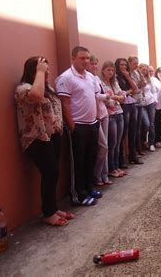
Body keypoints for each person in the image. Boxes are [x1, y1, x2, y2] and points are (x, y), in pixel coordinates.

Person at [16, 57, 74, 226]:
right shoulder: (23, 88)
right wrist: (40, 72)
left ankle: (53, 208)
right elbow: (35, 95)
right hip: (36, 138)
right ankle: (48, 213)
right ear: (32, 72)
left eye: (47, 69)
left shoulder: (47, 87)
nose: (47, 72)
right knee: (50, 171)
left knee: (53, 173)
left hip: (53, 136)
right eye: (43, 69)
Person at [56, 46, 101, 206]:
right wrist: (73, 126)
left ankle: (89, 188)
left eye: (87, 58)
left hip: (93, 124)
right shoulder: (66, 78)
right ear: (73, 58)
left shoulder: (90, 77)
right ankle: (78, 195)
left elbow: (94, 98)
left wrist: (96, 119)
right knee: (78, 162)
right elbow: (65, 104)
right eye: (82, 58)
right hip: (78, 126)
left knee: (91, 158)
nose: (86, 61)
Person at [100, 61, 126, 178]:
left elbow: (123, 98)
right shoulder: (101, 84)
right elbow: (106, 101)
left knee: (118, 142)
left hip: (119, 113)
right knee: (112, 142)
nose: (110, 72)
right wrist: (116, 98)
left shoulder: (114, 83)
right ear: (103, 71)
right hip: (110, 115)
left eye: (112, 70)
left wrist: (114, 97)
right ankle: (111, 168)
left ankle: (116, 166)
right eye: (108, 70)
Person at [87, 56, 111, 186]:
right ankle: (96, 176)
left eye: (96, 63)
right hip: (94, 116)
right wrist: (106, 96)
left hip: (103, 113)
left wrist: (107, 97)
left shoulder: (96, 78)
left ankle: (104, 174)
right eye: (92, 63)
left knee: (105, 146)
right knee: (102, 147)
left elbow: (101, 94)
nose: (94, 66)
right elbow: (96, 95)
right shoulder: (86, 78)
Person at [115, 58, 142, 165]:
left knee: (133, 130)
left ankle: (133, 155)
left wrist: (127, 76)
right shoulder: (115, 77)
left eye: (125, 65)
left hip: (131, 103)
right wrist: (128, 92)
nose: (124, 67)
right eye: (121, 65)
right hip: (123, 106)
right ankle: (121, 158)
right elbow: (119, 93)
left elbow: (135, 89)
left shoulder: (127, 76)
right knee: (123, 132)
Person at [139, 63, 158, 152]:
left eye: (146, 70)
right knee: (146, 124)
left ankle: (151, 143)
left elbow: (153, 91)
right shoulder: (137, 78)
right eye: (143, 69)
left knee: (151, 124)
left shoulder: (149, 79)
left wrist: (154, 100)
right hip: (142, 104)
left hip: (150, 103)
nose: (145, 71)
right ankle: (143, 141)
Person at [152, 67, 161, 147]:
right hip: (155, 104)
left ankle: (158, 138)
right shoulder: (154, 80)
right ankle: (155, 140)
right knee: (155, 122)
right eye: (159, 72)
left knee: (159, 121)